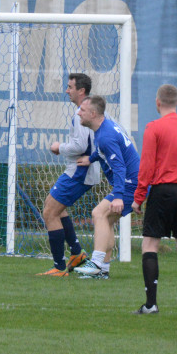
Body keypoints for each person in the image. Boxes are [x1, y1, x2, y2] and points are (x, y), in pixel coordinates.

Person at [131, 84, 177, 315]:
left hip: (163, 191)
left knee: (150, 244)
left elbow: (147, 166)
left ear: (157, 102)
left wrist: (139, 197)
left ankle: (151, 305)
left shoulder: (154, 128)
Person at [36, 73, 99, 276]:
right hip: (81, 170)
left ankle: (59, 267)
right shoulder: (90, 111)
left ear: (81, 91)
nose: (67, 90)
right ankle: (77, 254)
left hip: (80, 171)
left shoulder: (82, 113)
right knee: (53, 206)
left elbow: (80, 145)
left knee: (49, 213)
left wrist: (59, 147)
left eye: (70, 87)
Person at [72, 94, 140, 280]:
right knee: (106, 221)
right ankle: (103, 270)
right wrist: (91, 159)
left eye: (83, 110)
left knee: (98, 214)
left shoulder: (105, 136)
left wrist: (118, 196)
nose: (79, 113)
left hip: (129, 185)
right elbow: (103, 152)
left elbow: (119, 167)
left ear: (93, 114)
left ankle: (95, 263)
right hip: (131, 183)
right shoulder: (105, 129)